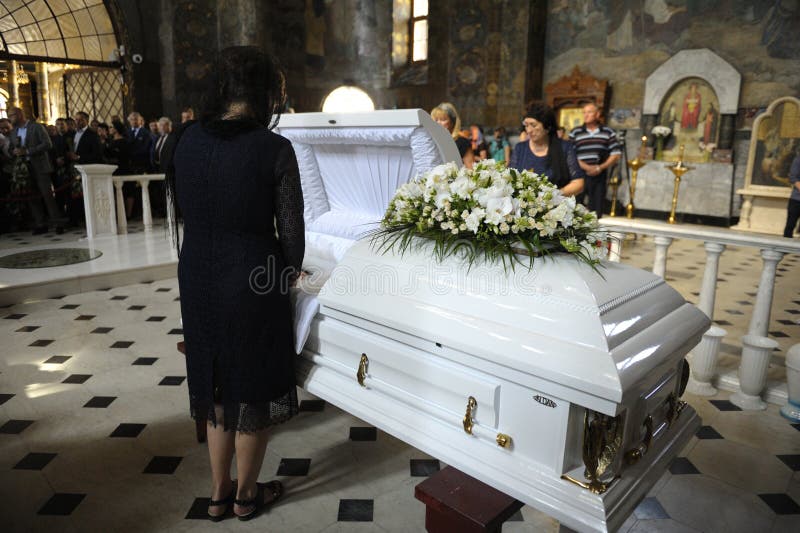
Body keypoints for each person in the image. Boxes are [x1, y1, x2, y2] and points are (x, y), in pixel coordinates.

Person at [169, 46, 304, 522]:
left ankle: (217, 493)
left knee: (216, 384)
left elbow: (185, 210)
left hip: (198, 271)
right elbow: (291, 236)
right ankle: (248, 495)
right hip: (254, 275)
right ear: (267, 91)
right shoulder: (273, 147)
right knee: (254, 390)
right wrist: (290, 274)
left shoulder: (184, 139)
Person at [8, 106, 64, 234]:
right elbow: (11, 148)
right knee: (31, 196)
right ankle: (40, 224)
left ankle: (57, 223)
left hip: (40, 166)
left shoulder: (36, 127)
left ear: (20, 114)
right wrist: (14, 151)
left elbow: (47, 144)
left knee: (47, 195)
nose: (10, 118)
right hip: (24, 169)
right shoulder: (14, 131)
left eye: (12, 115)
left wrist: (28, 151)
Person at [509, 101, 584, 196]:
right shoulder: (520, 148)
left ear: (547, 127)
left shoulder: (564, 147)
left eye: (533, 125)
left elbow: (578, 183)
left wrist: (554, 196)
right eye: (526, 125)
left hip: (557, 204)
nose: (529, 130)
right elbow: (510, 177)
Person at [569, 102, 621, 216]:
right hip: (579, 174)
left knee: (596, 211)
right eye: (584, 112)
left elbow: (616, 154)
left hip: (599, 175)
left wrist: (599, 167)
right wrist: (586, 167)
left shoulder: (608, 132)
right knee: (574, 208)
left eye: (589, 112)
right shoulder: (575, 132)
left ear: (597, 114)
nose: (586, 115)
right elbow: (570, 154)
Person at [784, 153, 800, 238]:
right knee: (790, 225)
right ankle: (785, 247)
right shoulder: (798, 160)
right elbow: (793, 178)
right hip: (797, 199)